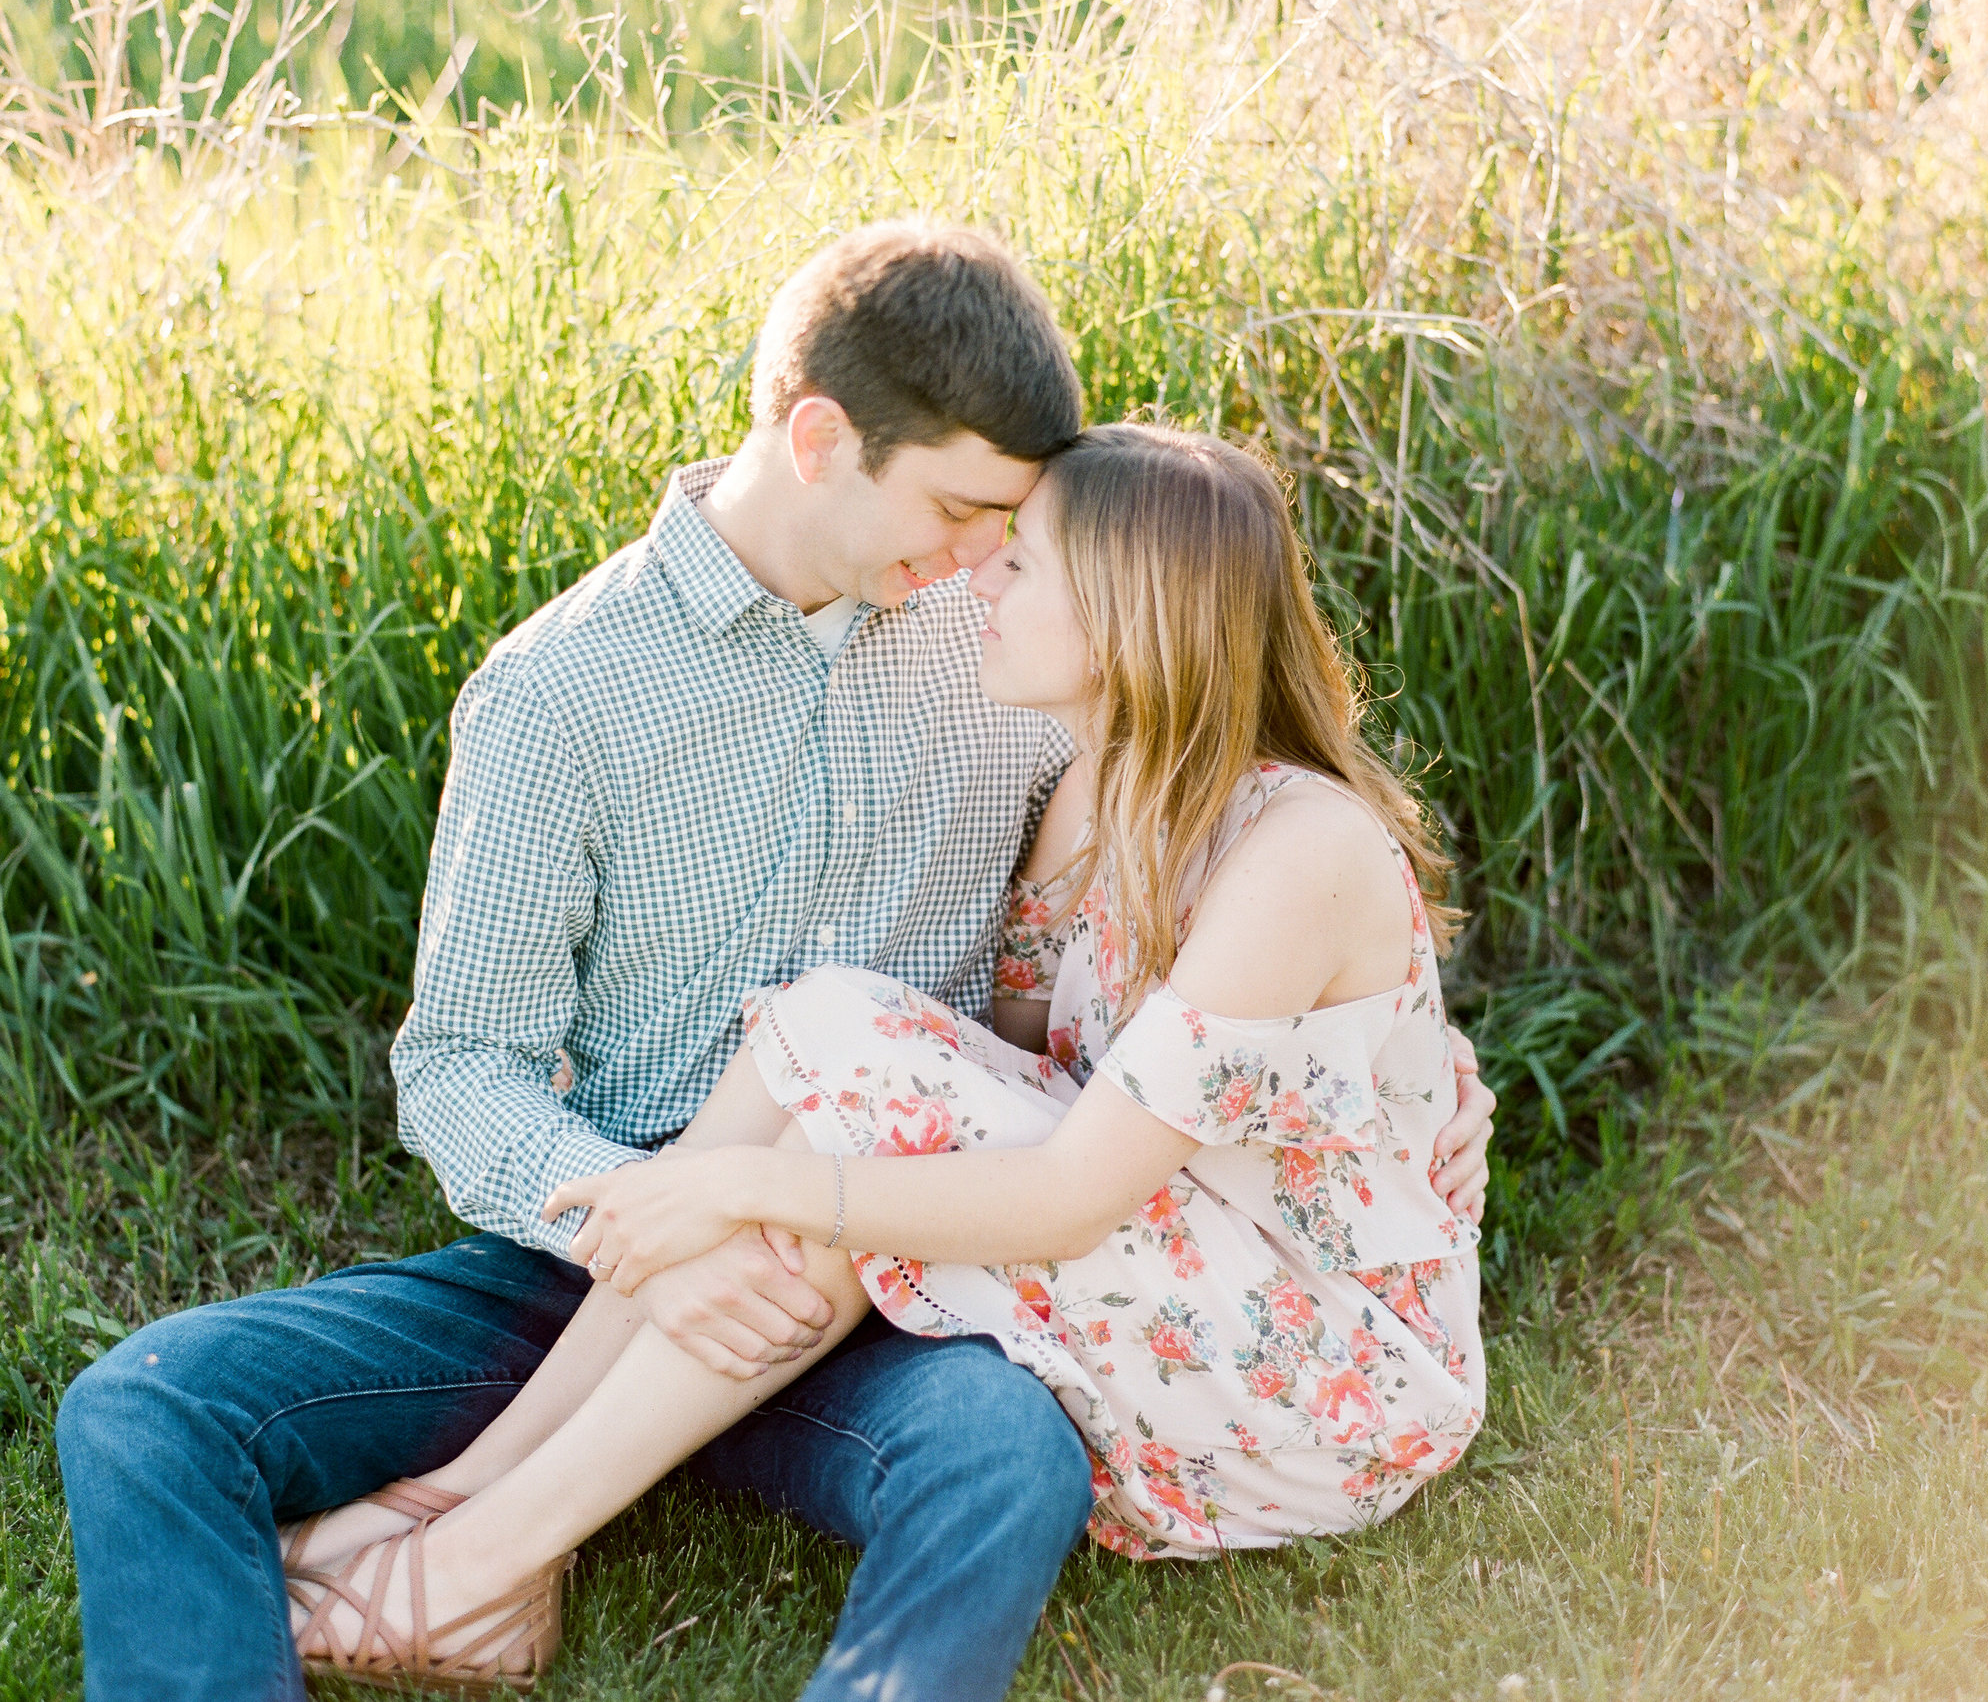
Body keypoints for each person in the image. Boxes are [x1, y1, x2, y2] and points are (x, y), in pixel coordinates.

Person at [278, 423, 1494, 1689]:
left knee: (867, 1100)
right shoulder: (1093, 790)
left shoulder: (1297, 850)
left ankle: (473, 1575)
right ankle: (457, 1502)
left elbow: (1068, 1191)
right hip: (1171, 1240)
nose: (981, 581)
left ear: (1127, 618)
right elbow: (1001, 1068)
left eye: (1021, 565)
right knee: (837, 1027)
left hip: (1327, 1370)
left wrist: (749, 1187)